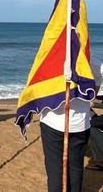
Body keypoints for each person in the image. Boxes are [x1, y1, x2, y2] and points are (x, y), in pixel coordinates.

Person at [40, 58, 102, 192]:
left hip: (52, 122)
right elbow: (92, 95)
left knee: (55, 168)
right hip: (80, 123)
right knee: (75, 167)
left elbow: (39, 90)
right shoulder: (94, 63)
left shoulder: (51, 57)